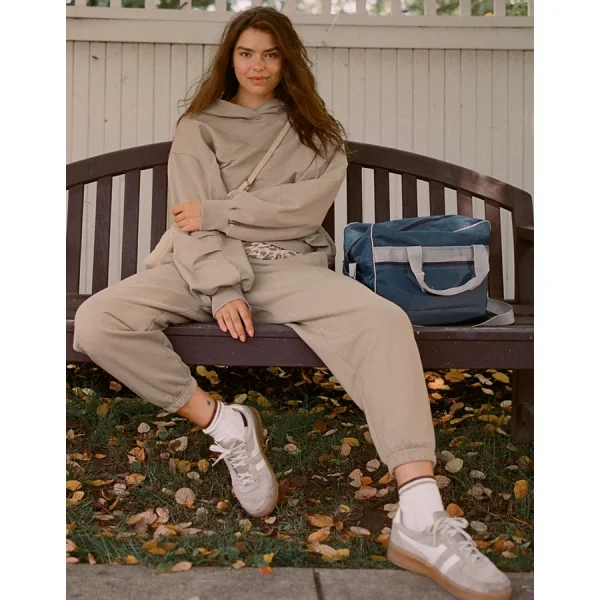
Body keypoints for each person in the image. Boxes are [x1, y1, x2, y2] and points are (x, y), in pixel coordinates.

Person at [73, 7, 512, 600]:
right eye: (246, 53)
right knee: (99, 320)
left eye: (270, 54)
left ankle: (420, 513)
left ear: (288, 62)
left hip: (288, 268)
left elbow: (298, 213)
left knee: (383, 321)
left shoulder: (318, 135)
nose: (257, 66)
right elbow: (188, 221)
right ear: (230, 59)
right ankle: (226, 424)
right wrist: (222, 287)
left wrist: (219, 210)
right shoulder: (199, 127)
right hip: (201, 267)